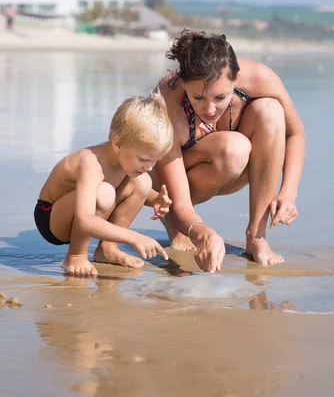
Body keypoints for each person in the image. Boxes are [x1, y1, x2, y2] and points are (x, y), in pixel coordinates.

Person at [155, 30, 305, 274]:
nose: (210, 109)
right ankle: (177, 225)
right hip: (167, 186)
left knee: (270, 111)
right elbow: (177, 198)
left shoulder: (260, 78)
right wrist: (202, 232)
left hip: (231, 167)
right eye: (198, 97)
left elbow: (295, 133)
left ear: (236, 80)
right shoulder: (168, 99)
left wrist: (288, 193)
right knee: (233, 149)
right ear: (182, 83)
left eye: (220, 97)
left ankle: (257, 236)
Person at [34, 93, 173, 277]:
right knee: (105, 193)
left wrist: (155, 199)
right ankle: (76, 254)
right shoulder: (91, 163)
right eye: (144, 159)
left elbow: (135, 188)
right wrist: (134, 237)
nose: (149, 167)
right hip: (51, 218)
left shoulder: (127, 159)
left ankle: (107, 249)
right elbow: (85, 219)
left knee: (143, 182)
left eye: (155, 161)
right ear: (117, 144)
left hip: (86, 211)